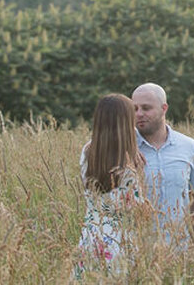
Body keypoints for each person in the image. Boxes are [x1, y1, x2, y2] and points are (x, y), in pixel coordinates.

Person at [73, 94, 149, 278]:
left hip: (90, 237)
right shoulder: (131, 161)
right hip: (118, 241)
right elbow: (137, 209)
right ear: (126, 121)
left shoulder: (88, 151)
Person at [131, 82, 194, 246]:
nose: (139, 114)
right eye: (135, 109)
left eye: (146, 108)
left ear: (164, 108)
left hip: (179, 247)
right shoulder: (121, 148)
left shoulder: (190, 148)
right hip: (135, 251)